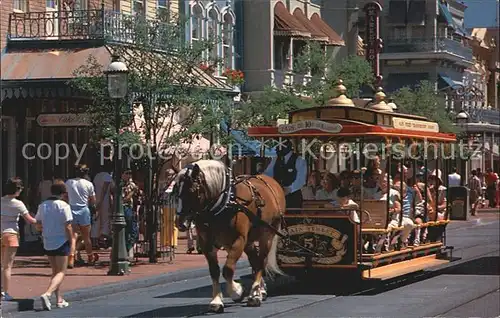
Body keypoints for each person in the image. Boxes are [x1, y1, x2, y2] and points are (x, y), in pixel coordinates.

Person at [36, 181, 73, 310]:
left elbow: (38, 223)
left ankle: (59, 299)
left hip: (48, 241)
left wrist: (44, 231)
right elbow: (68, 226)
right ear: (63, 193)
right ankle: (47, 294)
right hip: (61, 241)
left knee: (55, 272)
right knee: (62, 272)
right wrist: (71, 241)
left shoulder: (43, 205)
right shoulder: (64, 206)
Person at [1, 178, 38, 301]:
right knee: (7, 266)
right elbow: (30, 220)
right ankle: (4, 292)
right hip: (11, 235)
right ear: (18, 190)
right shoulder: (18, 204)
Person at [65, 164, 96, 267]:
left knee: (73, 236)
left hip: (71, 209)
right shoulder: (89, 184)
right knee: (86, 237)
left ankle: (71, 257)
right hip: (83, 210)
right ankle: (90, 256)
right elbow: (93, 200)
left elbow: (65, 197)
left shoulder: (68, 183)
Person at [264, 139, 307, 208]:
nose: (276, 148)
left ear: (287, 146)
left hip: (293, 198)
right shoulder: (275, 159)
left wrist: (289, 189)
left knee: (292, 217)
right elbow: (268, 174)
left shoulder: (299, 160)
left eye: (280, 146)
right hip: (277, 197)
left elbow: (301, 180)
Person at [91, 162, 113, 247]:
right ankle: (102, 240)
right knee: (105, 220)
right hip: (104, 200)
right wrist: (101, 200)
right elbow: (105, 188)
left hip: (96, 198)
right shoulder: (107, 176)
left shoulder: (97, 176)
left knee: (96, 219)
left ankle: (95, 240)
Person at [120, 170, 139, 262]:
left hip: (131, 209)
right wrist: (132, 192)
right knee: (126, 230)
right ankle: (126, 250)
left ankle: (130, 249)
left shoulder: (131, 184)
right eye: (126, 173)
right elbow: (123, 199)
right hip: (124, 209)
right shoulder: (120, 185)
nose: (128, 175)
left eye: (130, 174)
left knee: (133, 230)